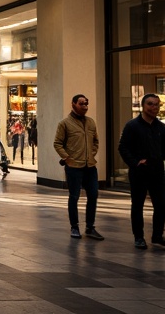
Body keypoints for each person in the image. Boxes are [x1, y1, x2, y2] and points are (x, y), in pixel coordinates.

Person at [118, 92, 165, 250]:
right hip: (139, 172)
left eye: (156, 104)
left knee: (161, 204)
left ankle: (157, 236)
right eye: (150, 104)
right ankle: (139, 237)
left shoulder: (161, 127)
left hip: (157, 171)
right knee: (137, 205)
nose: (154, 107)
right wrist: (135, 163)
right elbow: (123, 147)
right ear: (143, 106)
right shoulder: (132, 126)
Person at [53, 93, 103, 241]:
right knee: (74, 196)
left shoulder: (91, 122)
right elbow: (57, 143)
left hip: (90, 165)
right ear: (73, 104)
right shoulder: (65, 123)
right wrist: (67, 158)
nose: (85, 106)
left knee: (93, 195)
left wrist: (91, 154)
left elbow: (95, 141)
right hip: (73, 166)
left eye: (86, 103)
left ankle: (90, 227)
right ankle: (74, 227)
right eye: (81, 103)